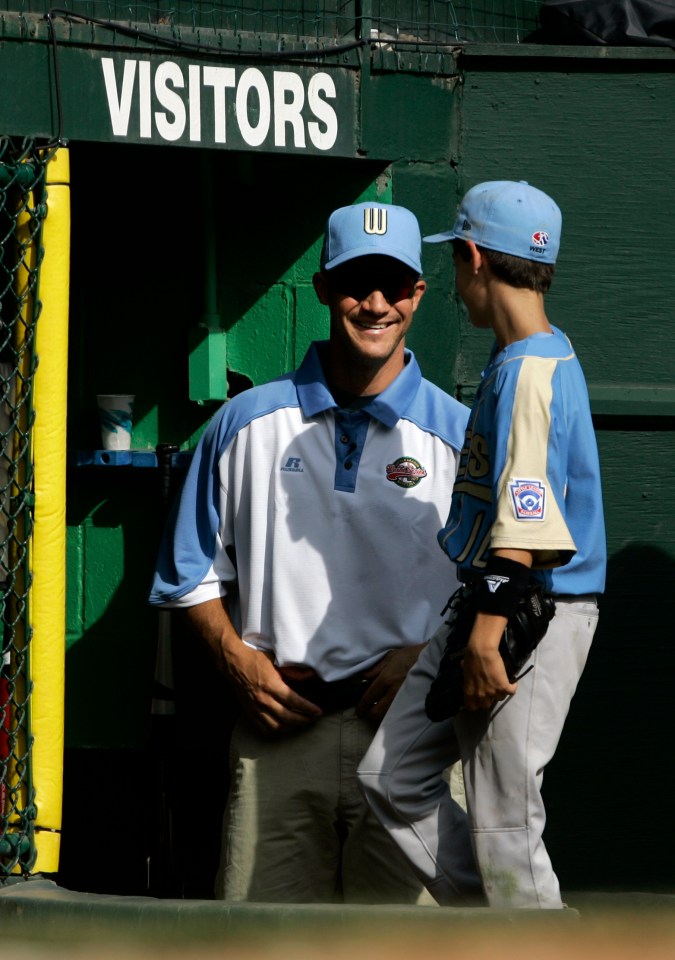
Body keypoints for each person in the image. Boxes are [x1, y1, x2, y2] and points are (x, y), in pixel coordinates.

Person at [149, 201, 473, 904]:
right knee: (260, 949)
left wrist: (424, 657)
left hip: (409, 738)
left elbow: (494, 589)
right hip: (278, 736)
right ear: (323, 287)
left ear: (418, 294)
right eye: (358, 282)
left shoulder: (461, 436)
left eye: (394, 284)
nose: (376, 303)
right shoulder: (243, 424)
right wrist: (239, 664)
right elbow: (187, 575)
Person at [358, 181, 606, 909]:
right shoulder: (525, 356)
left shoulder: (530, 370)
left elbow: (525, 527)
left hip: (531, 606)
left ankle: (529, 944)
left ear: (470, 257)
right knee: (391, 776)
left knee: (504, 821)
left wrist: (485, 638)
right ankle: (502, 930)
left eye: (455, 264)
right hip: (492, 599)